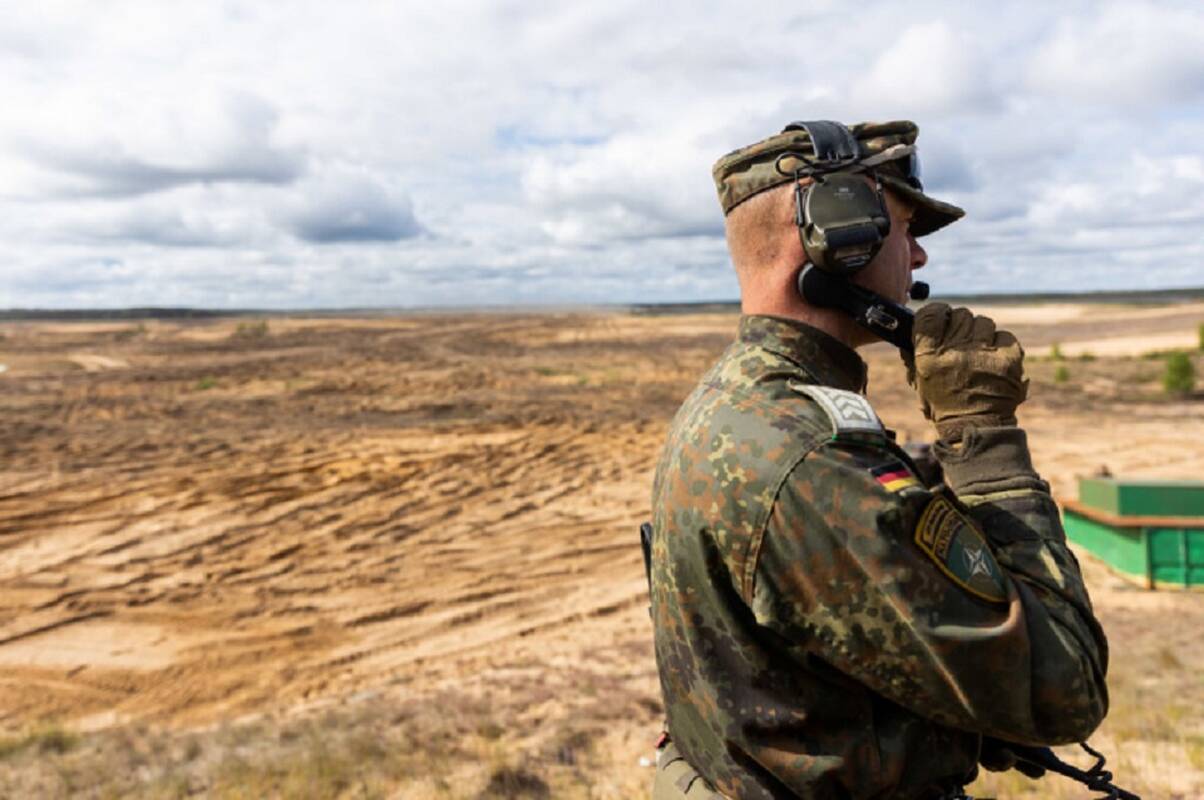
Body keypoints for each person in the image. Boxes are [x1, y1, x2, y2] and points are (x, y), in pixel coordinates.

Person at [648, 120, 1109, 799]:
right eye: (905, 229)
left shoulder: (739, 403)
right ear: (838, 233)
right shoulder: (809, 461)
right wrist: (985, 440)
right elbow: (1065, 688)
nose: (918, 258)